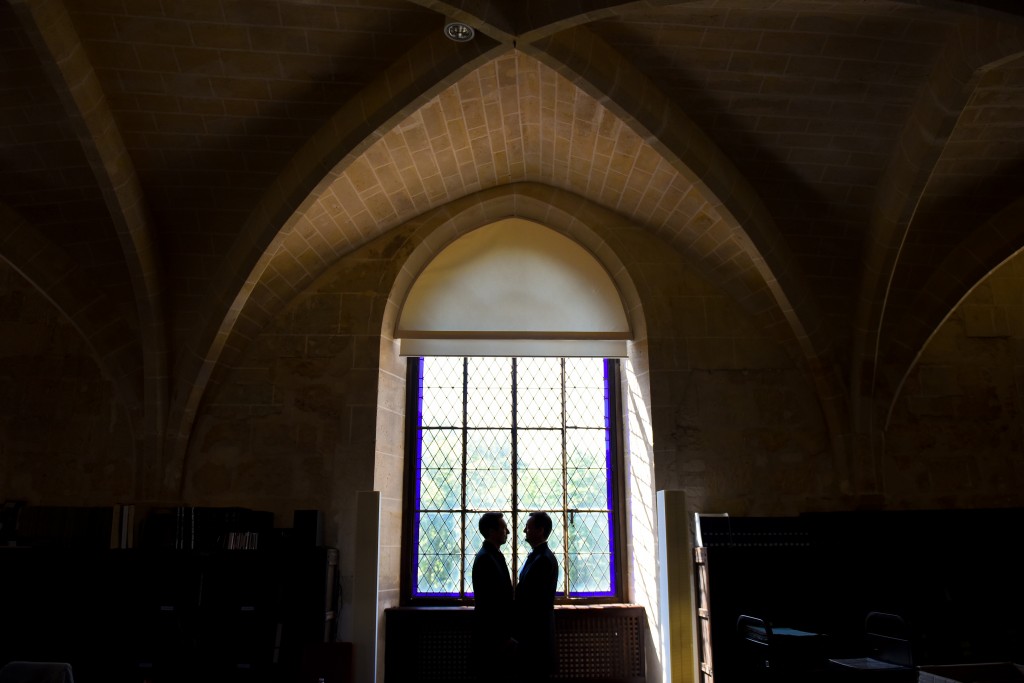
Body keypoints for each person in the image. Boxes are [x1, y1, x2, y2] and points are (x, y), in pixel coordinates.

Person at [471, 511, 516, 681]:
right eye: (504, 528)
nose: (508, 532)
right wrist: (503, 637)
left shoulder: (491, 555)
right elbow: (490, 603)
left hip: (496, 637)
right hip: (493, 639)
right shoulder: (486, 559)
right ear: (491, 531)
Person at [514, 511, 558, 680]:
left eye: (528, 527)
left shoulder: (543, 560)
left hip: (536, 636)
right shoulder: (539, 556)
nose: (524, 531)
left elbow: (533, 600)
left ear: (540, 530)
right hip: (534, 633)